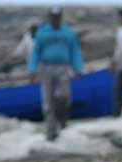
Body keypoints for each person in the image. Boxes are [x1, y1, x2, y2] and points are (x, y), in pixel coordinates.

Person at [28, 8, 83, 141]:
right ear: (50, 17)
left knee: (63, 95)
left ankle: (63, 121)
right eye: (53, 17)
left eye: (58, 16)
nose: (55, 19)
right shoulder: (43, 33)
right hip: (46, 67)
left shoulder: (68, 33)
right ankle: (50, 130)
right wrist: (32, 69)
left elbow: (75, 51)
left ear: (61, 17)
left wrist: (78, 68)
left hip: (63, 67)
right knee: (48, 100)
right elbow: (36, 52)